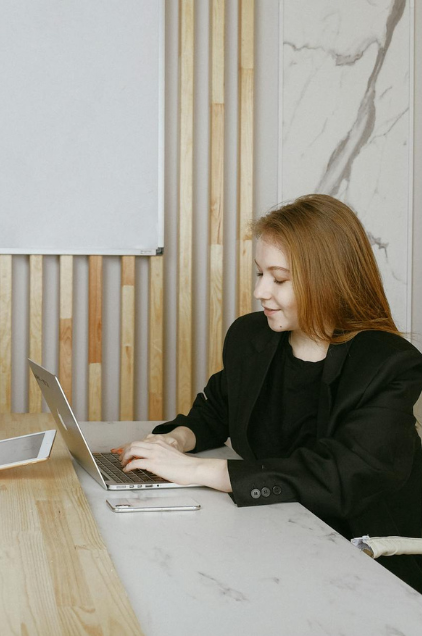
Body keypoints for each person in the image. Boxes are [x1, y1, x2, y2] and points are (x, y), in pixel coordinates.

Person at [117, 194, 422, 593]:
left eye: (278, 279)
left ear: (328, 280)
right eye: (260, 274)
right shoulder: (251, 336)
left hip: (369, 559)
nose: (260, 291)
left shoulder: (389, 362)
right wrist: (174, 441)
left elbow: (341, 475)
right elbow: (217, 409)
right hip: (275, 532)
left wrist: (197, 471)